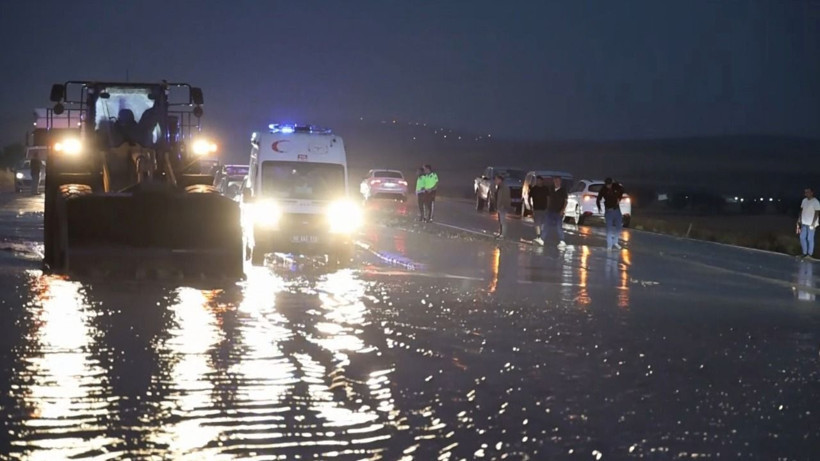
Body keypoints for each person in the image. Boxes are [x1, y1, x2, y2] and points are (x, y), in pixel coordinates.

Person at [596, 177, 625, 250]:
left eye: (610, 184)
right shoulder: (603, 189)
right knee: (609, 228)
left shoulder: (616, 186)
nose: (608, 186)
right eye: (607, 184)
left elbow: (622, 190)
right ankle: (609, 244)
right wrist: (599, 208)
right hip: (609, 211)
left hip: (617, 210)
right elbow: (598, 199)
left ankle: (615, 241)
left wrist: (619, 198)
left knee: (619, 226)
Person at [543, 175, 568, 249]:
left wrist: (562, 210)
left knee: (558, 227)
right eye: (555, 181)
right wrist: (546, 208)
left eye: (558, 181)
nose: (556, 182)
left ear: (560, 181)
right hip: (550, 210)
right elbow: (548, 199)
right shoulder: (551, 189)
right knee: (546, 225)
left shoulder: (563, 190)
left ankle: (562, 240)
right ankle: (542, 239)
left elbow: (566, 201)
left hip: (558, 211)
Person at [797, 187, 820, 258]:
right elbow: (801, 211)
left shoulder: (815, 201)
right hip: (804, 222)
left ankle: (810, 254)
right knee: (802, 237)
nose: (806, 193)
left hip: (811, 224)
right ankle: (804, 253)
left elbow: (817, 213)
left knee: (810, 239)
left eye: (807, 192)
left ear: (812, 193)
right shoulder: (804, 200)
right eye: (805, 192)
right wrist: (799, 220)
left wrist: (813, 223)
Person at [530, 176, 549, 244]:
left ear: (542, 181)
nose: (538, 182)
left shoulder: (545, 189)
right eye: (537, 181)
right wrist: (531, 207)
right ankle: (538, 236)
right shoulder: (534, 189)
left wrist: (547, 207)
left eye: (539, 181)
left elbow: (548, 198)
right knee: (537, 223)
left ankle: (542, 236)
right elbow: (530, 197)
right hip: (536, 208)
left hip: (544, 208)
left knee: (542, 223)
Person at [492, 174, 511, 238]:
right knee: (500, 220)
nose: (495, 181)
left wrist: (503, 205)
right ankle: (500, 233)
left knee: (503, 221)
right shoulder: (499, 187)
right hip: (499, 206)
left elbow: (506, 198)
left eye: (496, 179)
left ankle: (503, 234)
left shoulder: (504, 187)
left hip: (503, 206)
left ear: (500, 180)